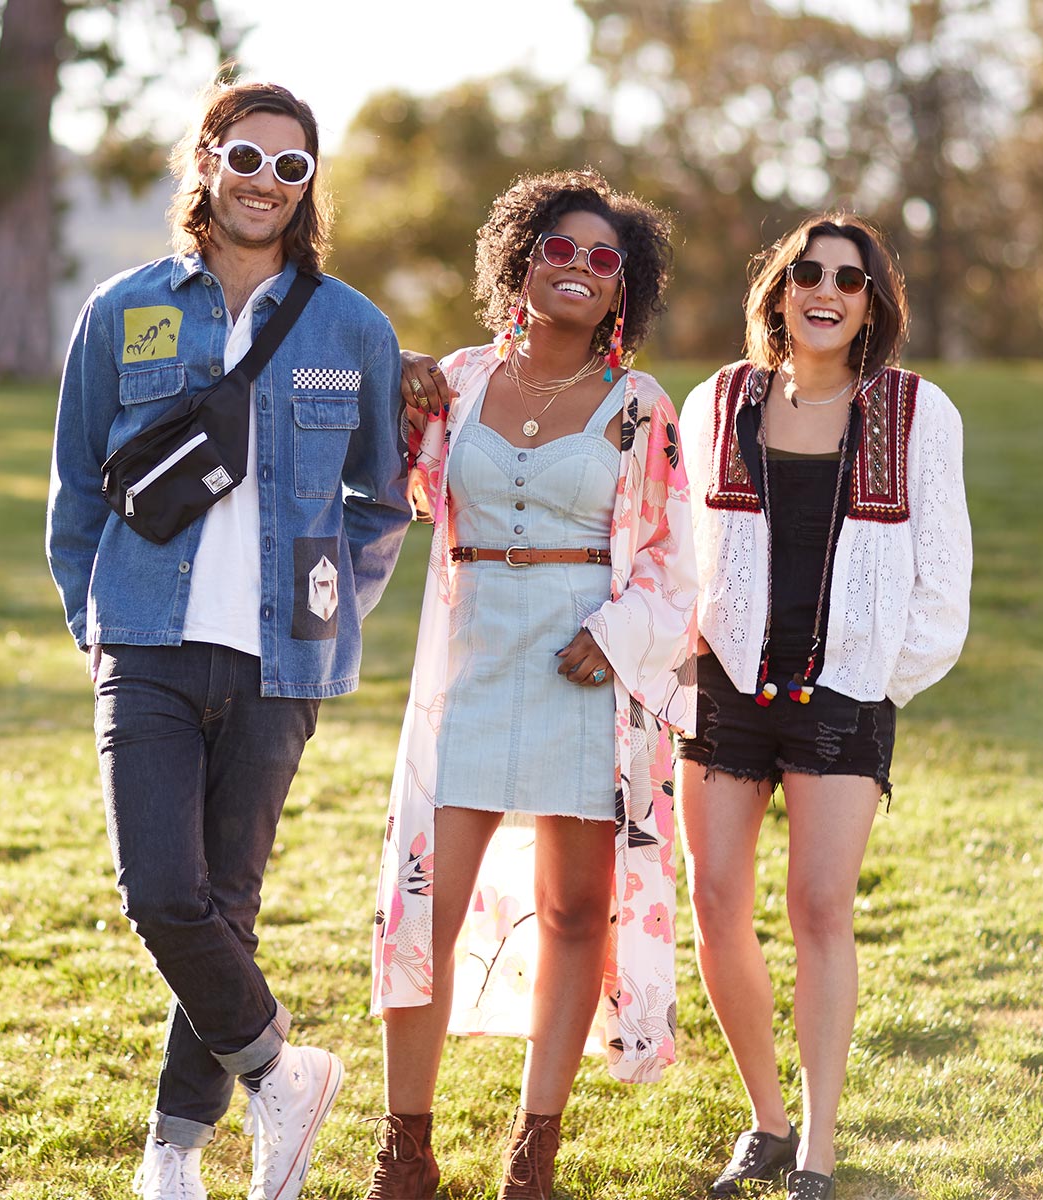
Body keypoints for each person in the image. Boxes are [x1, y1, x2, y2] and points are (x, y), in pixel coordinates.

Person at [46, 80, 410, 1200]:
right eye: (246, 157)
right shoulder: (123, 308)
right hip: (146, 643)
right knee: (161, 891)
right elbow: (76, 489)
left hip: (278, 663)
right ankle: (283, 1074)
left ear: (309, 186)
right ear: (206, 161)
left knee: (227, 903)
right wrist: (95, 627)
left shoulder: (352, 326)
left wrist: (326, 605)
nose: (265, 182)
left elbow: (380, 499)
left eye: (291, 167)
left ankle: (176, 1152)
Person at [366, 169, 697, 1200]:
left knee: (573, 912)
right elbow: (388, 474)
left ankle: (532, 1153)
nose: (581, 269)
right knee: (424, 905)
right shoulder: (457, 383)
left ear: (623, 293)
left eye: (606, 261)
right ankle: (405, 1148)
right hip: (470, 663)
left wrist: (617, 631)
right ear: (520, 258)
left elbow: (674, 560)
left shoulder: (640, 406)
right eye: (560, 247)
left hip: (584, 669)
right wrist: (396, 380)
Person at [677, 213, 972, 1200]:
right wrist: (683, 661)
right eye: (809, 271)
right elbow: (679, 554)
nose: (828, 289)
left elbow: (944, 587)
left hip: (843, 698)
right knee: (716, 905)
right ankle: (766, 1120)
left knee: (819, 909)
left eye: (851, 278)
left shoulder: (918, 414)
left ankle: (819, 1146)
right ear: (779, 288)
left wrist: (878, 681)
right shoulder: (717, 400)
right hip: (724, 691)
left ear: (873, 304)